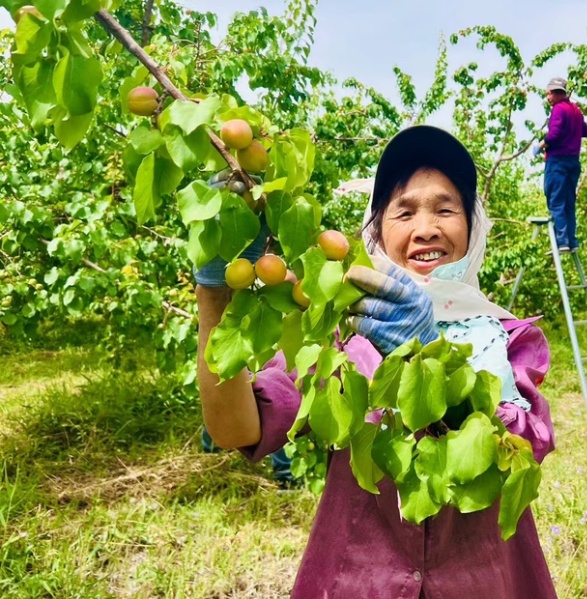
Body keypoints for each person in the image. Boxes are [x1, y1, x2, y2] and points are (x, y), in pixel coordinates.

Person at [196, 125, 558, 598]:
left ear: (472, 225)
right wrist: (214, 292)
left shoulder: (507, 336)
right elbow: (236, 429)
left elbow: (525, 449)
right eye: (403, 211)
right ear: (378, 234)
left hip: (483, 580)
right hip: (359, 580)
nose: (426, 227)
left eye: (446, 208)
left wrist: (433, 357)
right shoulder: (342, 334)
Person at [534, 77, 587, 253]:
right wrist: (571, 131)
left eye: (549, 94)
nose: (548, 98)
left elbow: (554, 134)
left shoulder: (559, 109)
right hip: (573, 162)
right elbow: (585, 131)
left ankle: (562, 241)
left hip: (558, 161)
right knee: (568, 202)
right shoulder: (575, 110)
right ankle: (571, 241)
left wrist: (541, 145)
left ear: (555, 92)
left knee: (555, 200)